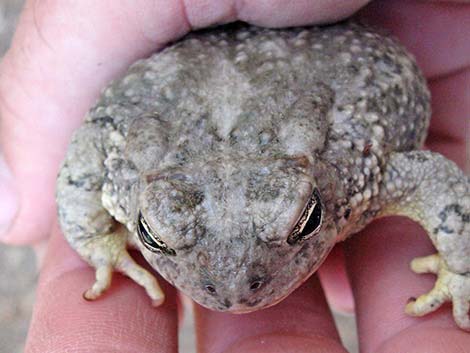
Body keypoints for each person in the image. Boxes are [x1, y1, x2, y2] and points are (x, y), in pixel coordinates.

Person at [0, 0, 468, 351]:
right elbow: (89, 149)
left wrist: (461, 266)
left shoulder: (349, 166)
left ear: (320, 192)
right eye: (157, 234)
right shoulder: (132, 168)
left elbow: (427, 175)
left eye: (300, 224)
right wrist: (93, 237)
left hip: (314, 47)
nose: (234, 283)